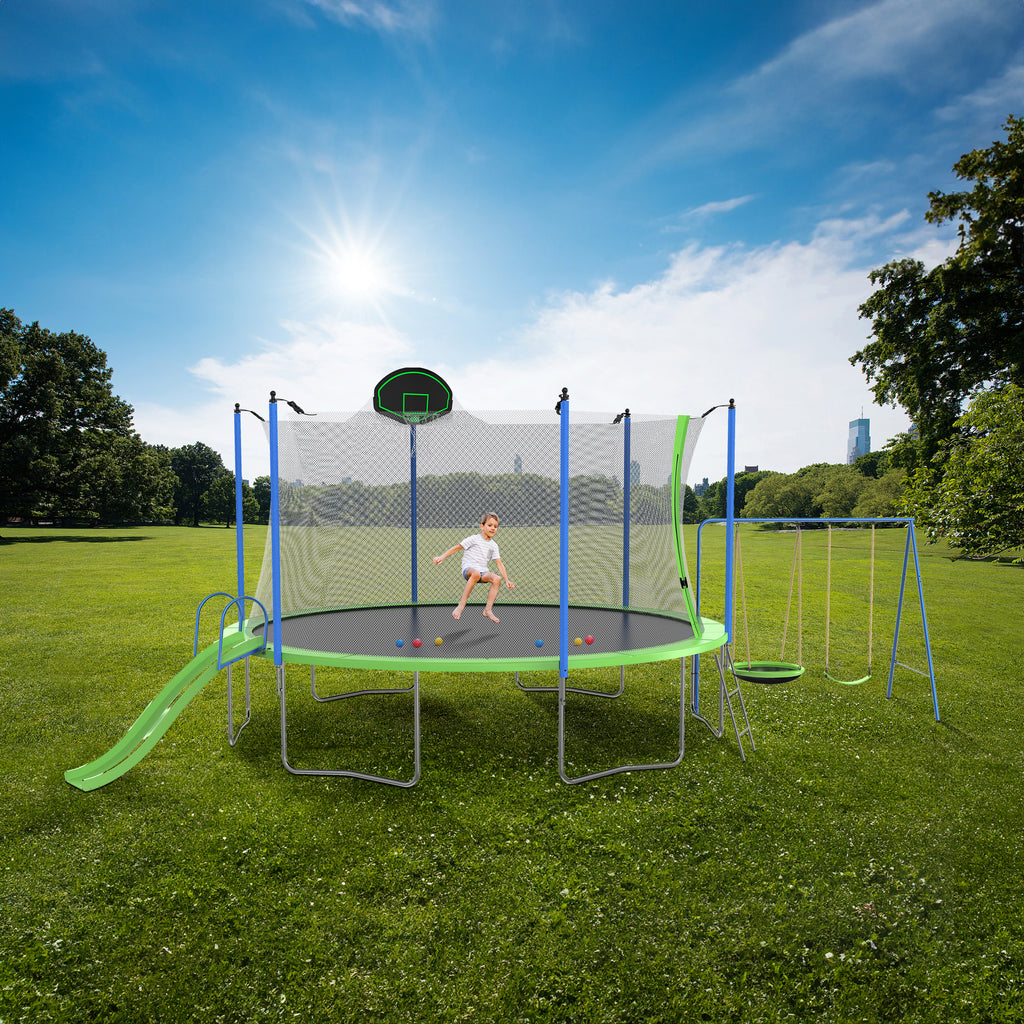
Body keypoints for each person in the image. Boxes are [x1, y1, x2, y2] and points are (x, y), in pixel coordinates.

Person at [433, 513, 515, 622]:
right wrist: (442, 557)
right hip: (469, 569)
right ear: (482, 526)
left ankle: (488, 610)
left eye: (495, 526)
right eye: (490, 525)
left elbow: (499, 563)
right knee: (475, 574)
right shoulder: (474, 539)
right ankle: (461, 605)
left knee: (497, 579)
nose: (493, 528)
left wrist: (507, 580)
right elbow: (457, 547)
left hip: (483, 572)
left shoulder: (493, 546)